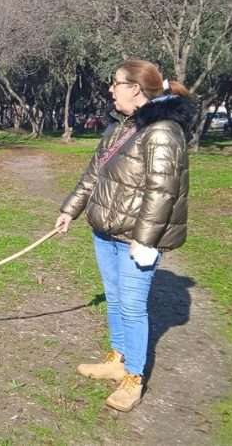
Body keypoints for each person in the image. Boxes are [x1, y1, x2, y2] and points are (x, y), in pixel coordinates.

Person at [54, 59, 196, 412]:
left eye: (116, 83)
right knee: (116, 300)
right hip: (106, 231)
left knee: (132, 308)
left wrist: (145, 239)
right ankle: (117, 358)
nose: (110, 89)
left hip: (135, 238)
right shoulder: (122, 125)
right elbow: (94, 172)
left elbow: (162, 191)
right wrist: (70, 210)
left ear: (135, 88)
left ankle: (134, 377)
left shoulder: (162, 130)